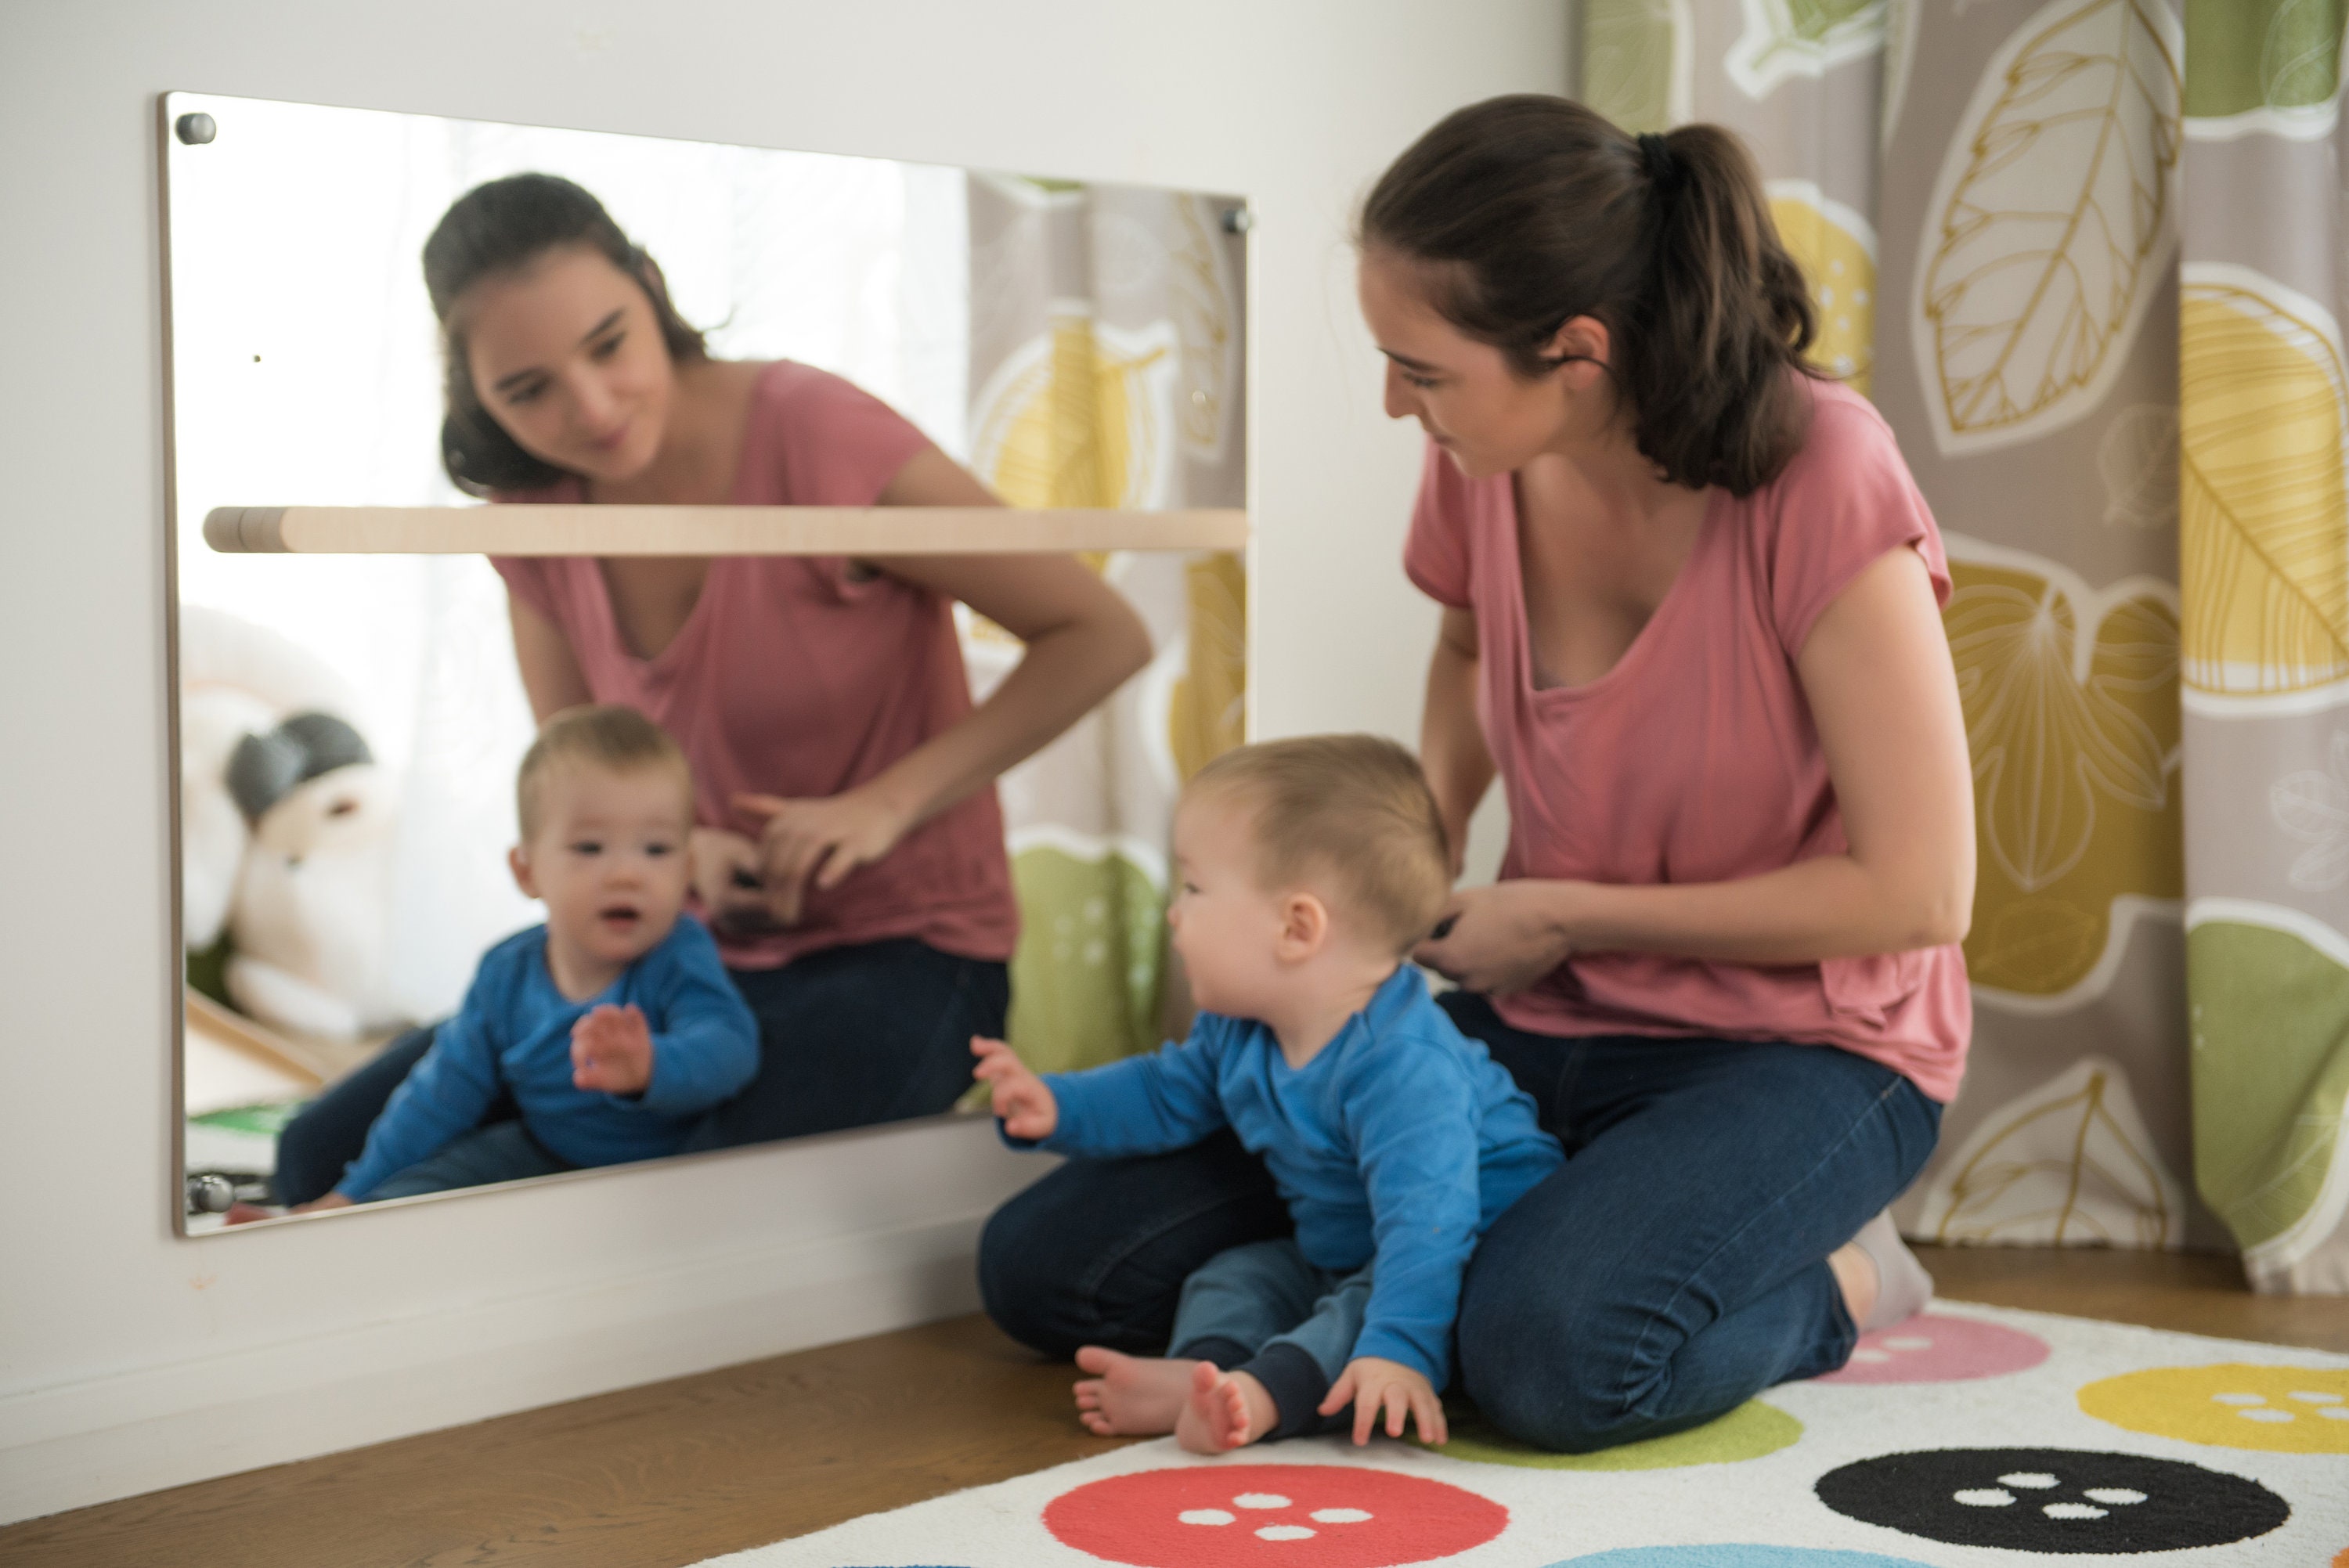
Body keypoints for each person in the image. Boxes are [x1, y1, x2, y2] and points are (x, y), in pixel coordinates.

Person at [977, 96, 1972, 1454]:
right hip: (1541, 1011)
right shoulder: (1484, 456)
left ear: (1577, 352)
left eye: (1424, 368)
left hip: (1802, 1047)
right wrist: (1407, 881)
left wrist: (1564, 912)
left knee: (1546, 1356)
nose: (1396, 401)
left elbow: (1919, 892)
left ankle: (1846, 1276)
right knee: (1053, 1266)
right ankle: (1555, 1245)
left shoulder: (1824, 473)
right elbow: (1463, 646)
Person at [270, 174, 1152, 1203]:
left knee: (632, 1171)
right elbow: (583, 766)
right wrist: (693, 853)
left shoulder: (815, 430)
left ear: (652, 287)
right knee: (317, 1152)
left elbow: (1098, 632)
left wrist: (885, 805)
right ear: (475, 395)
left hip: (905, 952)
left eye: (609, 344)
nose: (590, 408)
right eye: (528, 389)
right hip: (674, 950)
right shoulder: (533, 510)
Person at [972, 736, 1561, 1453]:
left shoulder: (1404, 1066)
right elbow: (1165, 1092)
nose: (1174, 913)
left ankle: (1268, 1394)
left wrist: (1400, 1350)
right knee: (1237, 1275)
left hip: (1461, 1248)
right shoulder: (1240, 1030)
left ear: (1296, 927)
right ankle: (1204, 1374)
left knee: (1362, 1313)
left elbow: (1427, 1224)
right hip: (1341, 1246)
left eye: (1194, 887)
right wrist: (1057, 1105)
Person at [283, 707, 757, 1211]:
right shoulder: (506, 974)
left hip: (662, 1178)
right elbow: (441, 1094)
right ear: (527, 871)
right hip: (543, 1150)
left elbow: (730, 1047)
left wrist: (651, 1065)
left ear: (688, 869)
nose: (627, 875)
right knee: (409, 1201)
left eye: (656, 850)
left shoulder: (678, 954)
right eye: (591, 847)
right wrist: (351, 1194)